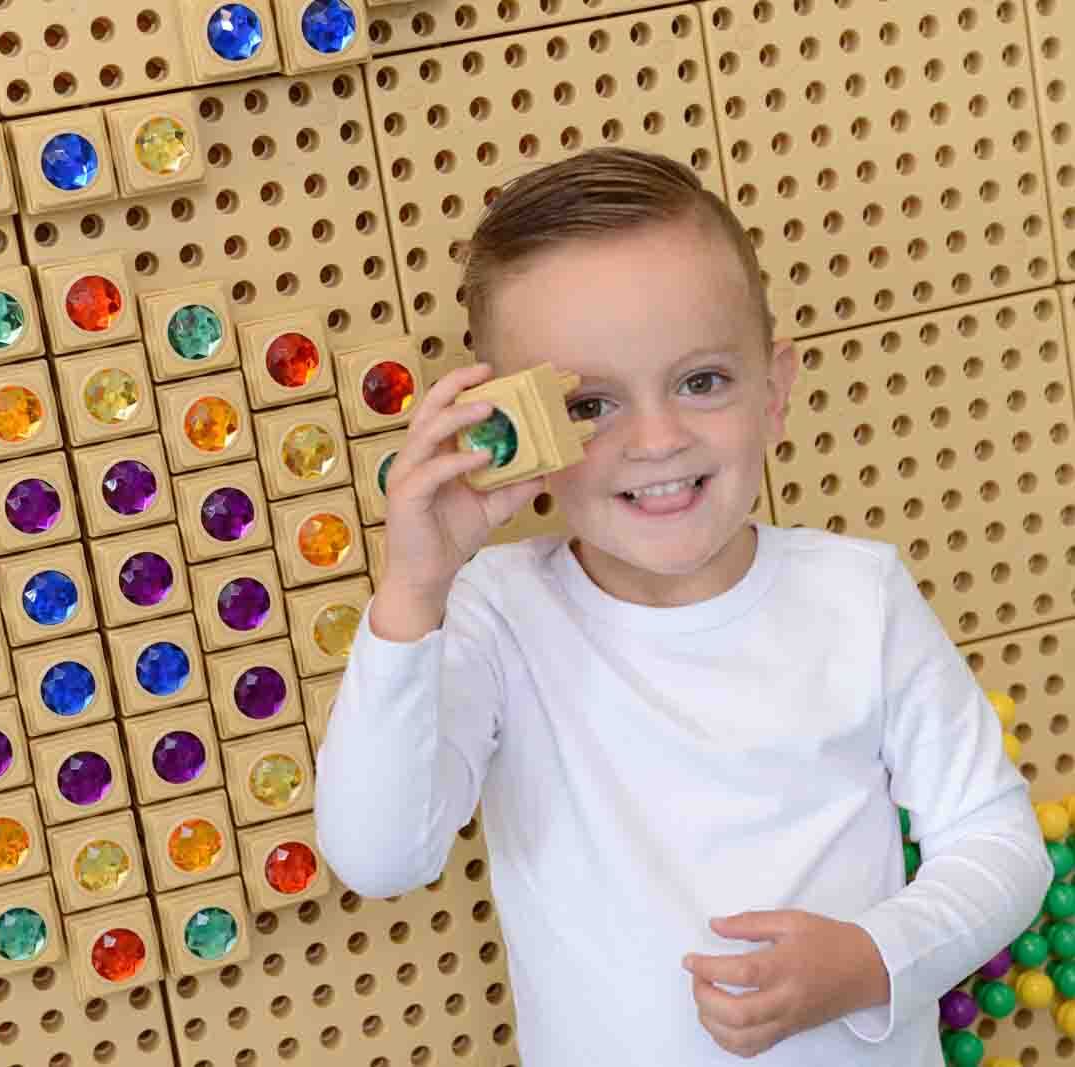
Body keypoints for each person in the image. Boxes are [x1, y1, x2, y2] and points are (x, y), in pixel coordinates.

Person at [312, 146, 1052, 1065]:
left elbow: (999, 844)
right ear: (511, 430)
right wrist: (415, 587)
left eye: (701, 381)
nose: (657, 439)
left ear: (773, 393)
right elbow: (379, 854)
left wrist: (869, 959)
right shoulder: (494, 618)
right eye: (590, 404)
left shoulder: (857, 595)